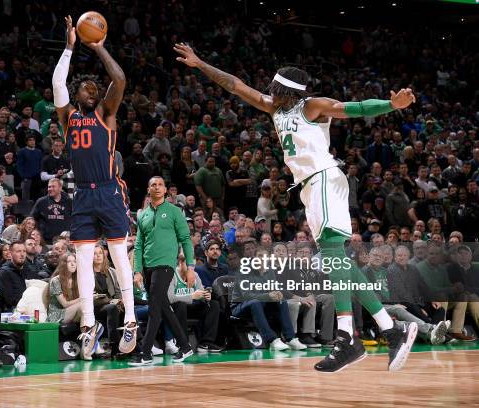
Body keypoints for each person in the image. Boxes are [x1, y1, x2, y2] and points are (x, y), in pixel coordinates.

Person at [174, 43, 417, 372]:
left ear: (290, 90)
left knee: (333, 257)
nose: (270, 93)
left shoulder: (312, 106)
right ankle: (386, 330)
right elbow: (235, 85)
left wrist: (391, 104)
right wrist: (200, 63)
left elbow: (354, 108)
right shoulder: (276, 108)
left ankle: (353, 337)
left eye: (276, 89)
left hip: (324, 179)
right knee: (340, 262)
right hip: (308, 187)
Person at [52, 15, 136, 359]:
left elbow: (119, 78)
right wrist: (70, 48)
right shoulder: (68, 117)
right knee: (83, 259)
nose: (95, 90)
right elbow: (58, 83)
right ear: (77, 94)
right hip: (83, 194)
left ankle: (130, 319)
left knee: (118, 255)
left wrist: (100, 49)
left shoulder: (107, 112)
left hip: (108, 189)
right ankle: (88, 324)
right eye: (88, 88)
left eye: (95, 89)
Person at [129, 176, 195, 366]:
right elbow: (139, 244)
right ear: (148, 190)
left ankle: (146, 352)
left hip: (165, 265)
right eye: (153, 185)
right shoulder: (142, 215)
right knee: (163, 307)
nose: (156, 188)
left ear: (166, 190)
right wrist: (137, 270)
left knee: (154, 308)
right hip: (147, 266)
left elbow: (186, 240)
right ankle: (185, 346)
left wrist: (190, 267)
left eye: (160, 185)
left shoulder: (175, 212)